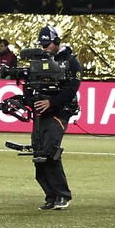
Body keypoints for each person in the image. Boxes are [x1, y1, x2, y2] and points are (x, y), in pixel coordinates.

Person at [30, 26, 81, 210]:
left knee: (50, 150)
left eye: (47, 43)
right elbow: (31, 85)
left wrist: (51, 102)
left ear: (57, 41)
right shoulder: (38, 60)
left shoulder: (71, 61)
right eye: (42, 44)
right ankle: (50, 195)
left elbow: (72, 89)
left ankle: (62, 195)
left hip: (59, 111)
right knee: (38, 151)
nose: (44, 47)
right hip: (41, 113)